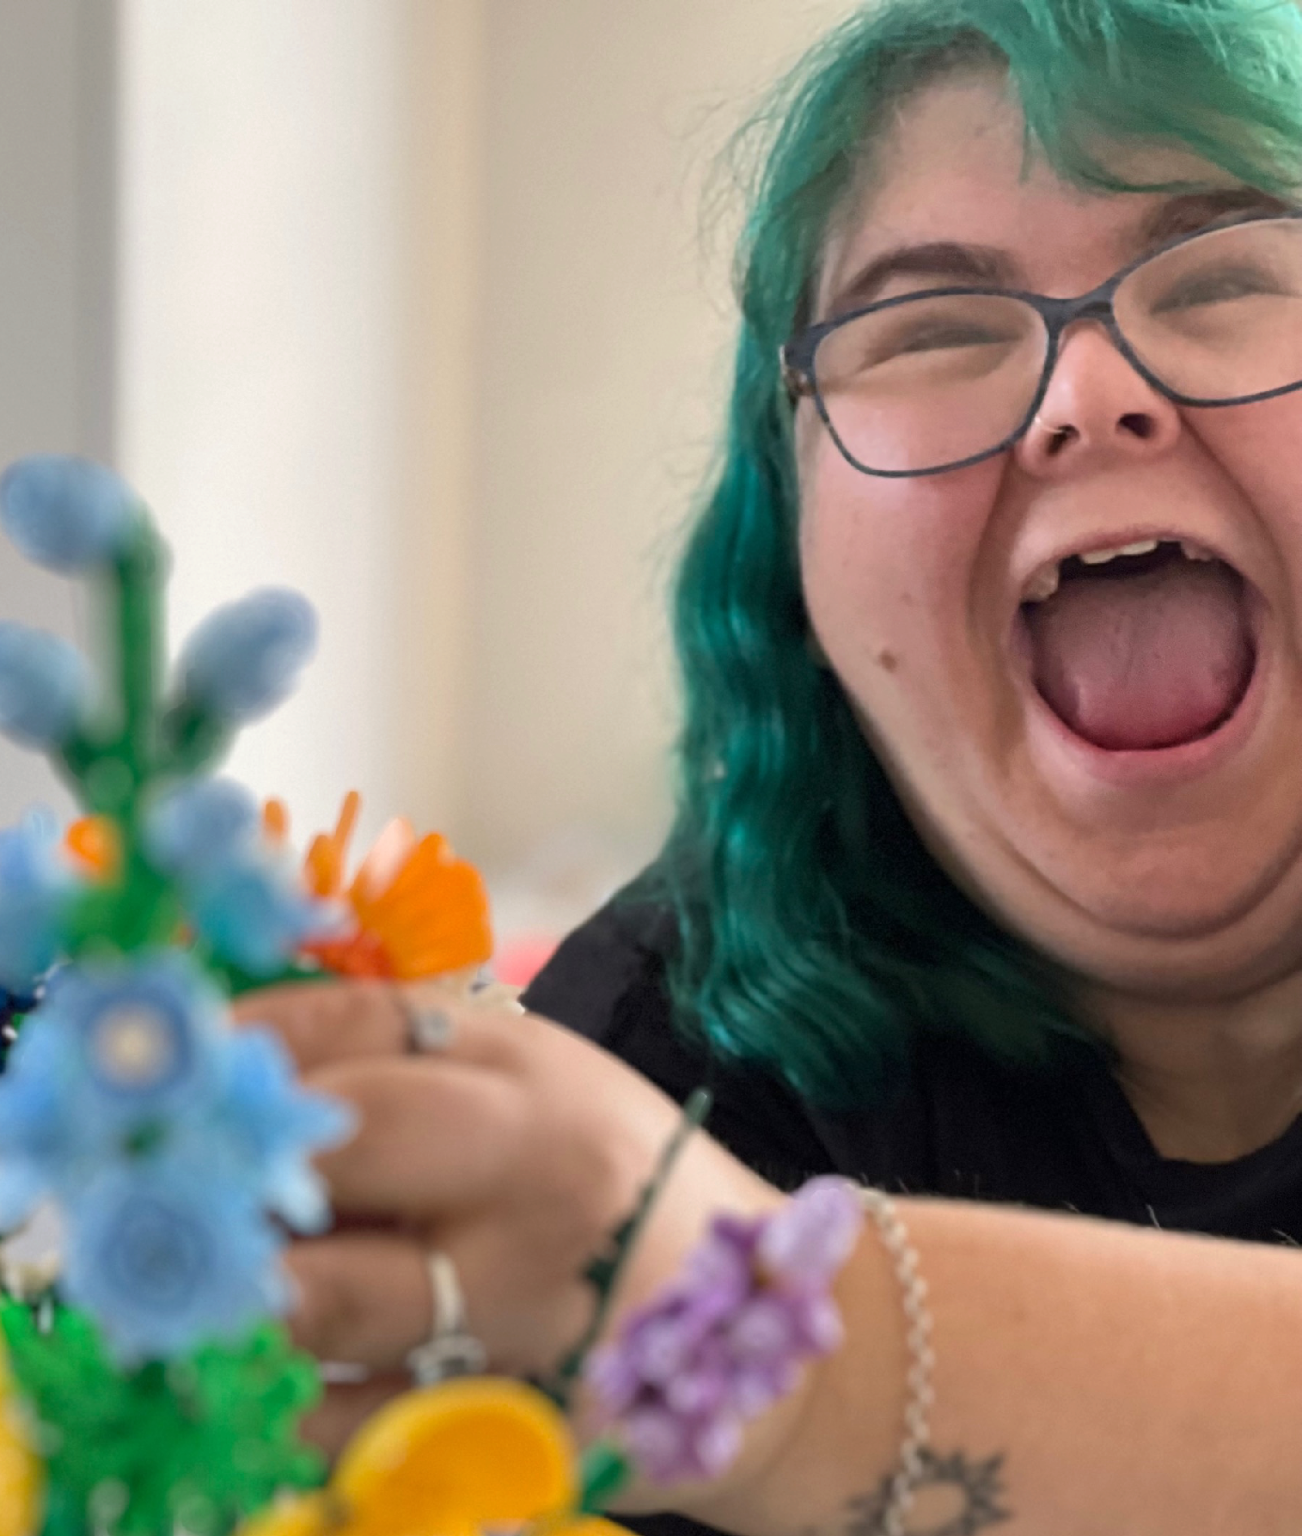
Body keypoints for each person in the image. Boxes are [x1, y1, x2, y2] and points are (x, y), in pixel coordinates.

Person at [247, 0, 1302, 1531]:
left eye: (1229, 280)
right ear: (792, 541)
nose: (1091, 397)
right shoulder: (655, 1059)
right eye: (933, 328)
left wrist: (778, 1351)